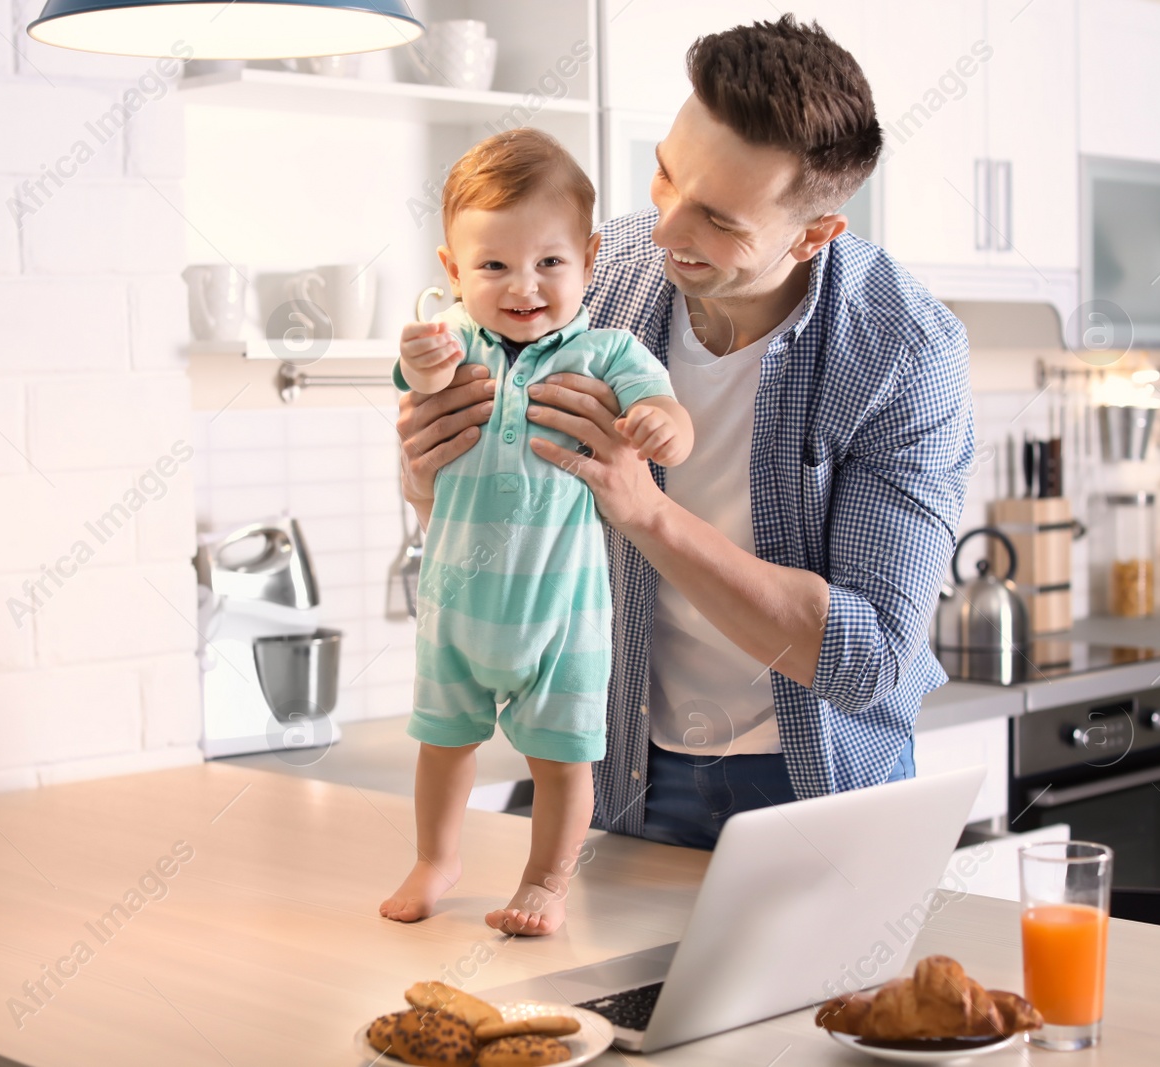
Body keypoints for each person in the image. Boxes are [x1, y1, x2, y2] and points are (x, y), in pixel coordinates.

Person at [394, 17, 973, 852]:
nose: (663, 230)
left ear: (813, 235)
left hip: (811, 789)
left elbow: (868, 659)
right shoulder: (604, 272)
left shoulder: (903, 351)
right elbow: (492, 496)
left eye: (718, 219)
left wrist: (648, 513)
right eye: (665, 177)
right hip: (618, 764)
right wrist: (426, 475)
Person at [379, 129, 695, 935]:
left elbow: (667, 410)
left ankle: (548, 879)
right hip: (454, 604)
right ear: (452, 271)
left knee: (564, 758)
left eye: (550, 263)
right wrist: (419, 366)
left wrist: (661, 425)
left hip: (564, 610)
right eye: (493, 266)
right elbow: (417, 381)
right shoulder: (454, 341)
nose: (524, 286)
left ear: (589, 259)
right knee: (442, 745)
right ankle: (435, 858)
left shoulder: (606, 350)